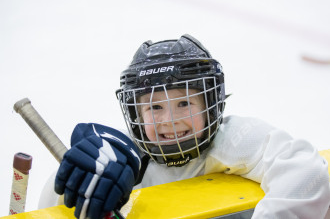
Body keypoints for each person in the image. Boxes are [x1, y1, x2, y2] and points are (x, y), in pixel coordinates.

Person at [50, 34, 330, 219]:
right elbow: (51, 205)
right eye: (155, 107)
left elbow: (306, 173)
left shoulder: (232, 140)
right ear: (135, 112)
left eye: (184, 103)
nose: (170, 120)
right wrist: (66, 182)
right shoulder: (121, 160)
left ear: (212, 103)